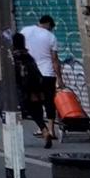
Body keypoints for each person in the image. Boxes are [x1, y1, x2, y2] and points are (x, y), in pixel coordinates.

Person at [20, 14, 61, 144]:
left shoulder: (25, 31)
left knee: (34, 102)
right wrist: (60, 78)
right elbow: (54, 60)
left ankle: (41, 128)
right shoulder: (50, 37)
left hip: (31, 74)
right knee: (49, 101)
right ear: (48, 24)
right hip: (47, 72)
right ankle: (51, 129)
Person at [9, 32, 51, 146]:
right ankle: (45, 131)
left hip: (21, 92)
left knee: (16, 115)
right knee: (37, 114)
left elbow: (12, 76)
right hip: (35, 91)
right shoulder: (28, 57)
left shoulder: (13, 58)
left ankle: (16, 140)